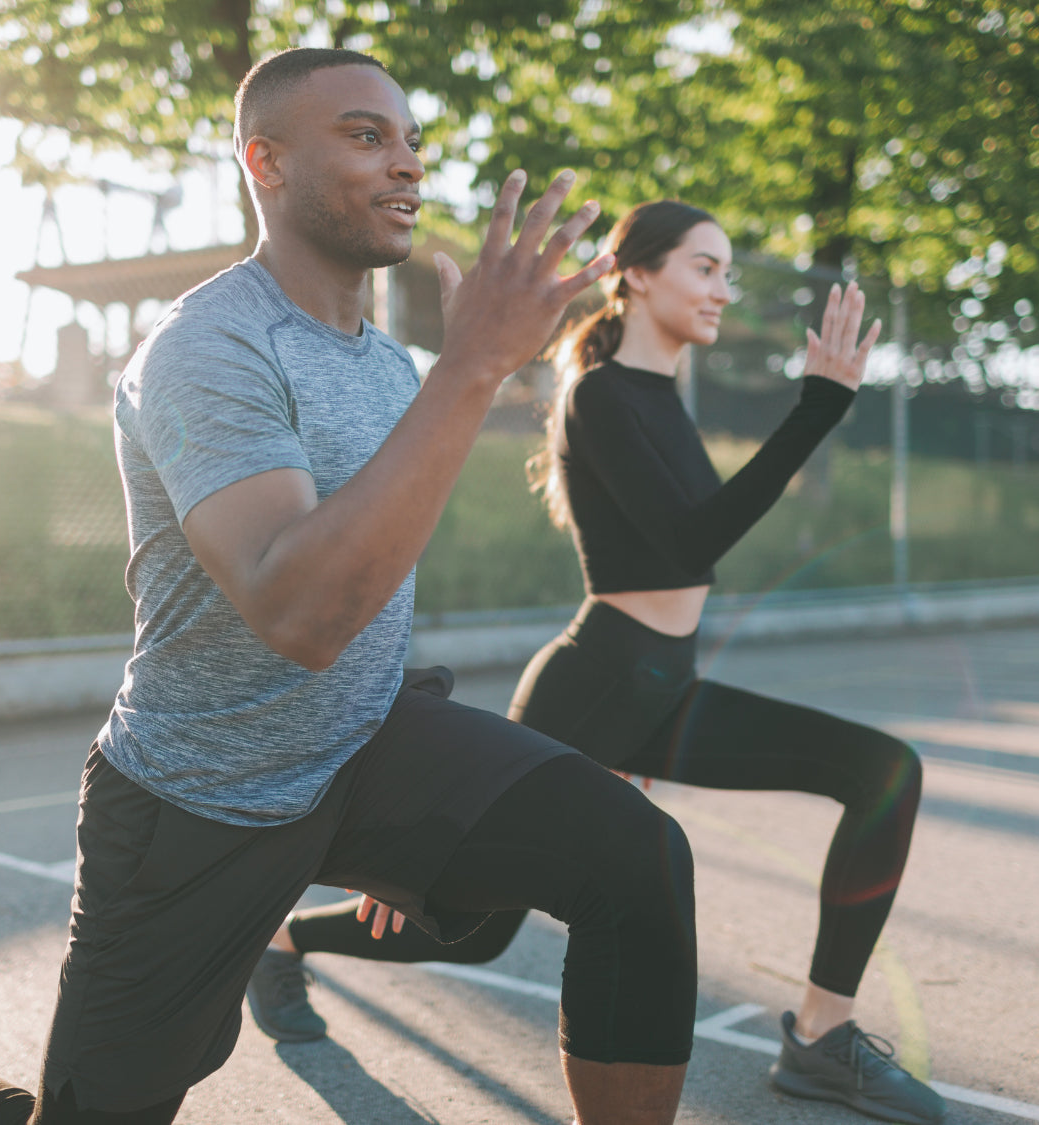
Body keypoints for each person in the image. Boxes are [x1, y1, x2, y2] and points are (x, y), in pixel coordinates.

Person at [0, 49, 702, 1125]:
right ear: (264, 159)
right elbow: (299, 613)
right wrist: (474, 368)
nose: (406, 164)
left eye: (412, 141)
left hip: (364, 751)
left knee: (637, 862)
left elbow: (373, 581)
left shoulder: (383, 366)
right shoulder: (205, 348)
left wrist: (416, 807)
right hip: (198, 799)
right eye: (367, 136)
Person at [247, 202, 947, 1125]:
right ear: (639, 274)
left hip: (668, 687)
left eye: (727, 271)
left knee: (883, 770)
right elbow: (693, 540)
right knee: (470, 930)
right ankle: (284, 940)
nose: (722, 290)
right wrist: (817, 406)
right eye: (705, 267)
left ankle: (820, 1036)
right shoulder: (601, 395)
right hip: (595, 686)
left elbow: (693, 542)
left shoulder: (660, 400)